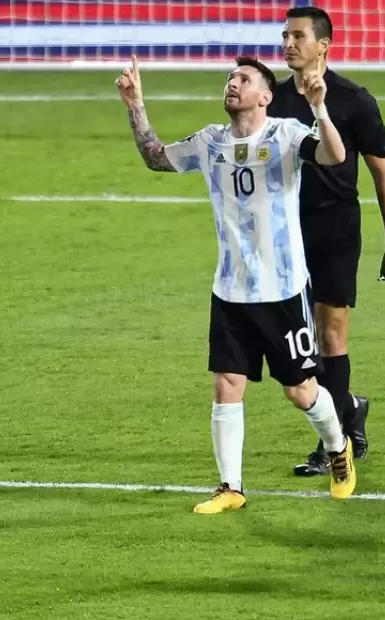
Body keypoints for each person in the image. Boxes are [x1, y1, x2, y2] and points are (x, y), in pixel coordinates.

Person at [115, 53, 357, 512]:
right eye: (230, 78)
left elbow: (334, 155)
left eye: (243, 79)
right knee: (227, 383)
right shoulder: (210, 141)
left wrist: (320, 109)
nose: (232, 83)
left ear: (265, 96)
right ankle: (231, 487)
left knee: (300, 390)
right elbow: (155, 158)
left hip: (282, 289)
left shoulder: (286, 135)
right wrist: (135, 105)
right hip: (230, 288)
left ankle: (337, 446)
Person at [268, 6, 385, 477]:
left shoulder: (353, 99)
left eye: (298, 36)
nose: (288, 44)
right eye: (285, 36)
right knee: (297, 339)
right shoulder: (271, 98)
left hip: (335, 227)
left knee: (330, 334)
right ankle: (349, 407)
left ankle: (333, 443)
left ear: (323, 44)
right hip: (284, 231)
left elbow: (382, 171)